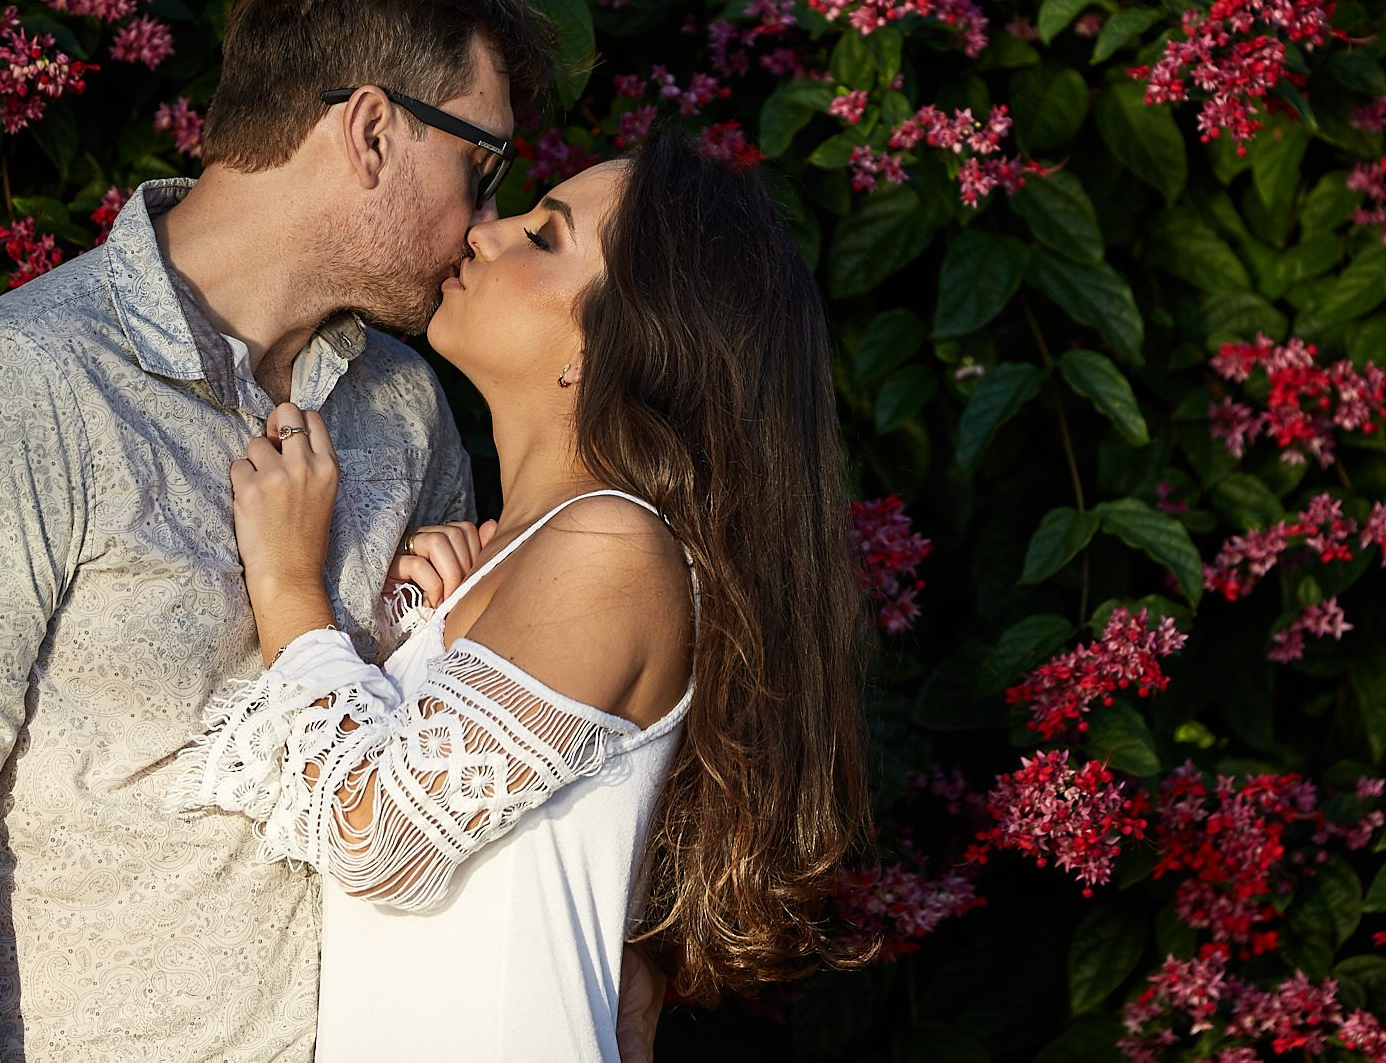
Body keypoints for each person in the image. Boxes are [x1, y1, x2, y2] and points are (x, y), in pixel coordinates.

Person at [0, 0, 573, 1061]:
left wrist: (454, 615)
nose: (483, 220)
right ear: (371, 132)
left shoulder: (402, 406)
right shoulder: (30, 382)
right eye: (480, 161)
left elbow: (429, 780)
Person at [173, 128, 875, 1061]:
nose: (486, 232)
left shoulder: (613, 545)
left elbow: (377, 838)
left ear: (608, 345)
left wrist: (288, 581)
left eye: (544, 237)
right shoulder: (548, 552)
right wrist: (435, 637)